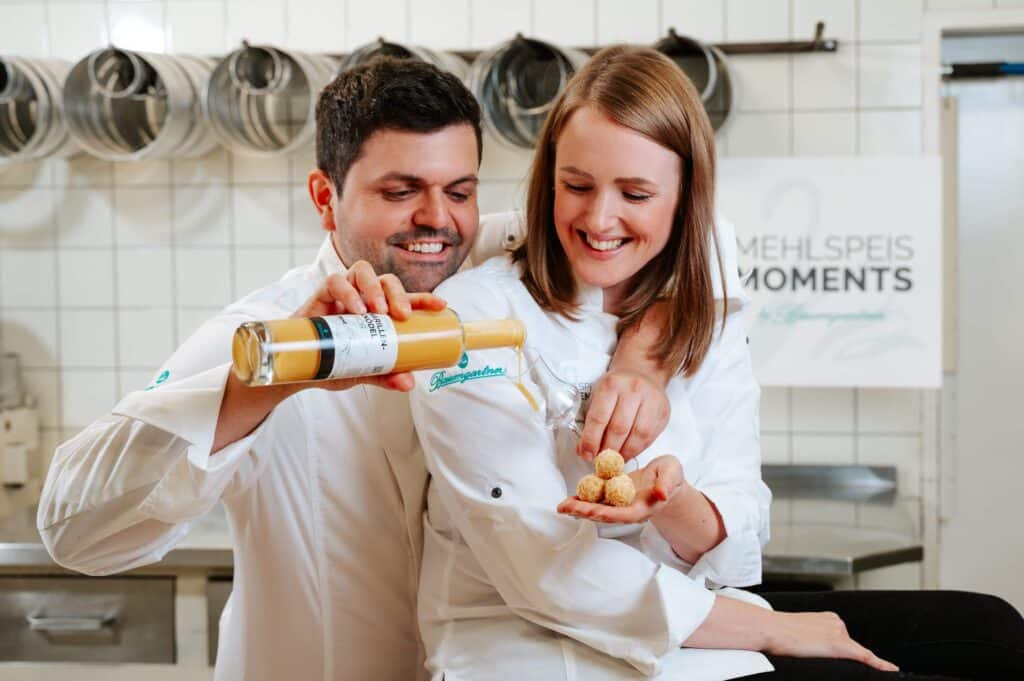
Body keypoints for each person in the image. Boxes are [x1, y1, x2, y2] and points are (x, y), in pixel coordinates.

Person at [36, 58, 675, 681]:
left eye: (460, 191)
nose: (437, 219)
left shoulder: (494, 270)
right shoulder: (268, 335)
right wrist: (265, 388)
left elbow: (683, 246)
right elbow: (74, 533)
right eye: (400, 192)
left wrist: (639, 360)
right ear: (325, 196)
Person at [407, 45, 1024, 681]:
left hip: (689, 627)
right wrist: (776, 629)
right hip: (529, 645)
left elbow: (737, 543)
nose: (599, 218)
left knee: (993, 630)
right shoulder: (469, 324)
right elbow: (550, 576)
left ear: (685, 201)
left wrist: (672, 499)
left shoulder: (703, 311)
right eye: (576, 185)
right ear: (548, 181)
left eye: (637, 193)